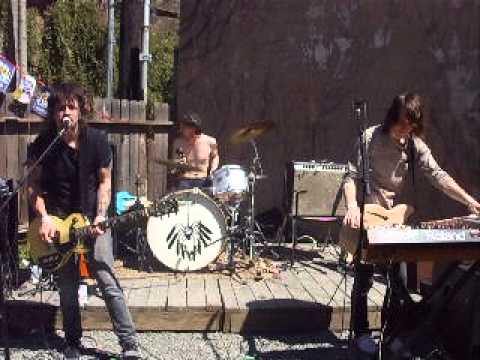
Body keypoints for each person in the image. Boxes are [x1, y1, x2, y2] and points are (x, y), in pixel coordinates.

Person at [342, 93, 480, 356]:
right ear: (392, 117)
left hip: (394, 220)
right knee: (364, 279)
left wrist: (469, 201)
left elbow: (438, 175)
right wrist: (351, 206)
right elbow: (349, 176)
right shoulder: (369, 138)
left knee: (400, 281)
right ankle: (360, 333)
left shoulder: (415, 145)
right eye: (402, 124)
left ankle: (392, 332)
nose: (405, 130)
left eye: (411, 126)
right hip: (367, 215)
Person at [27, 82, 141, 360]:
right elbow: (33, 187)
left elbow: (105, 182)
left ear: (80, 110)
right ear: (53, 112)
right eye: (60, 107)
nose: (65, 112)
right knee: (67, 287)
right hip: (59, 224)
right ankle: (73, 342)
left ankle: (129, 344)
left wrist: (101, 215)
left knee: (106, 278)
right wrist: (43, 218)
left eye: (71, 106)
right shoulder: (44, 145)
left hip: (92, 221)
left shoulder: (97, 141)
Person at [171, 112, 219, 190]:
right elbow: (174, 162)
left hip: (203, 179)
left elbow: (215, 157)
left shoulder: (210, 141)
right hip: (185, 180)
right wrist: (179, 163)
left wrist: (213, 170)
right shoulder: (178, 142)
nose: (182, 129)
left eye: (184, 127)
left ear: (193, 128)